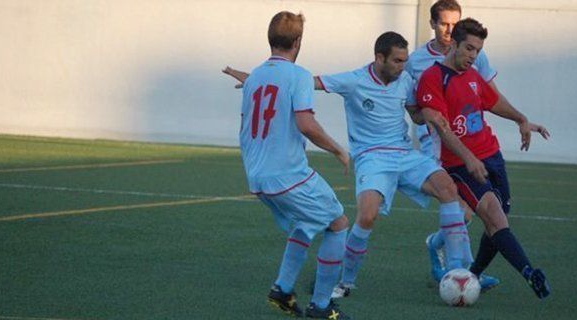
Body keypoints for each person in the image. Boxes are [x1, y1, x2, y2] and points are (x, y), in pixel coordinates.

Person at [225, 31, 476, 300]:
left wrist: (431, 115)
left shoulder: (405, 80)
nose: (403, 67)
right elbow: (306, 82)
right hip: (371, 157)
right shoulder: (353, 80)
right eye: (397, 61)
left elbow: (415, 115)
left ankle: (460, 270)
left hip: (404, 153)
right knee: (366, 216)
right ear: (379, 57)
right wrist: (255, 79)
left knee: (448, 189)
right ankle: (345, 282)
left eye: (405, 61)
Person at [415, 17, 551, 299]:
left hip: (492, 156)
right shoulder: (432, 77)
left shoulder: (473, 75)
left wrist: (521, 119)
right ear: (453, 44)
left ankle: (472, 275)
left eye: (477, 50)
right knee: (495, 218)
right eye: (468, 48)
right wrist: (467, 158)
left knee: (497, 223)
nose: (472, 55)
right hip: (459, 165)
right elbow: (440, 124)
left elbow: (493, 101)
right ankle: (529, 273)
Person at [237, 11, 352, 319]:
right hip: (287, 175)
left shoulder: (254, 77)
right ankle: (322, 305)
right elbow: (306, 123)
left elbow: (247, 126)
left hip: (258, 177)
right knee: (338, 224)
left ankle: (283, 288)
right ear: (298, 41)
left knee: (306, 223)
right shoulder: (299, 75)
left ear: (270, 39)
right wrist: (338, 149)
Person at [406, 0, 502, 289]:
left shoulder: (473, 54)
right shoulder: (416, 62)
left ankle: (438, 247)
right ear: (433, 24)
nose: (450, 30)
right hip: (435, 145)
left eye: (454, 24)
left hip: (470, 142)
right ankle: (464, 273)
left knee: (468, 210)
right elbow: (414, 111)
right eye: (444, 23)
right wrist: (434, 114)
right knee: (459, 205)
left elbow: (490, 95)